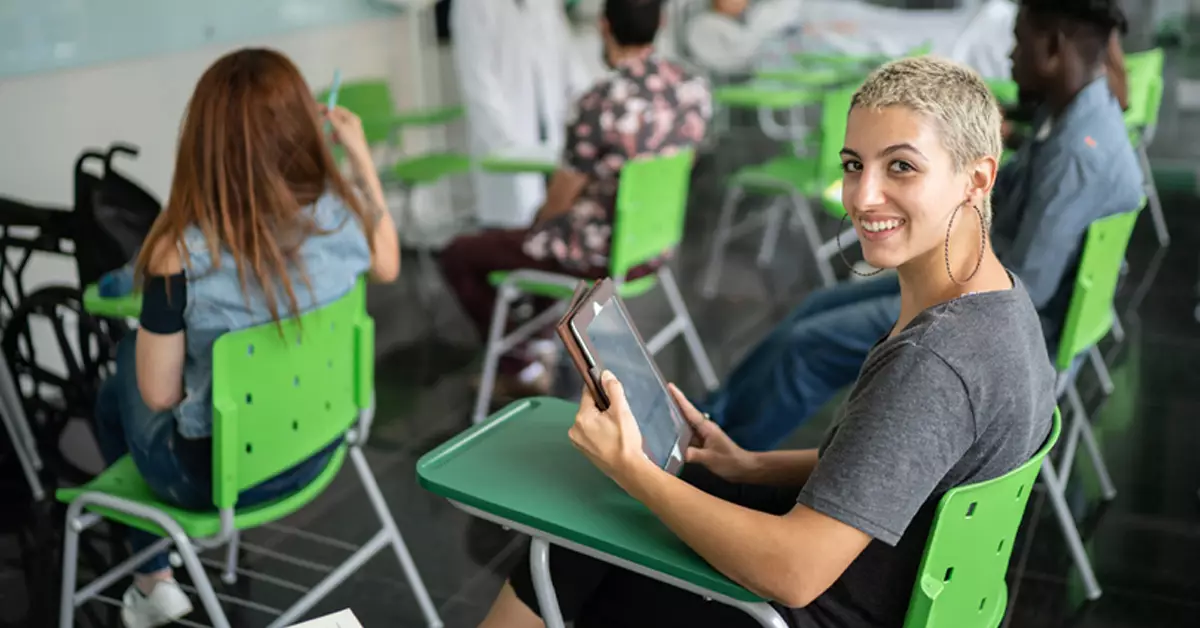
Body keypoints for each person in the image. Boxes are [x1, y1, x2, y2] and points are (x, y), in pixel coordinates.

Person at [479, 55, 1055, 628]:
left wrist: (634, 471)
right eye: (854, 165)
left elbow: (794, 573)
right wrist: (750, 466)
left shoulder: (934, 361)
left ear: (978, 178)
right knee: (630, 511)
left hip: (803, 610)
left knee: (572, 545)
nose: (863, 196)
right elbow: (894, 465)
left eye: (900, 167)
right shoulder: (1003, 304)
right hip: (882, 588)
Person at [702, 0, 1142, 453]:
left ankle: (718, 459)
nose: (1011, 56)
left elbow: (1029, 287)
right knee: (818, 305)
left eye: (1018, 43)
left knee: (807, 347)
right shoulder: (1077, 116)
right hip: (973, 283)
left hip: (994, 327)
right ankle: (709, 418)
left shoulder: (1074, 154)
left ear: (1052, 48)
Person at [91, 48, 399, 627]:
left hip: (216, 480)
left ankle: (154, 574)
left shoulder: (176, 253)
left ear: (203, 147)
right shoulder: (340, 214)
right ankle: (152, 571)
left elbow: (158, 397)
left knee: (123, 373)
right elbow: (387, 265)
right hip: (321, 447)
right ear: (304, 132)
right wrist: (358, 156)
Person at [439, 0, 711, 402]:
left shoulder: (601, 101)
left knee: (461, 254)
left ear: (604, 26)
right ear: (662, 22)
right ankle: (540, 339)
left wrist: (537, 223)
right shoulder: (691, 87)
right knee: (540, 240)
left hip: (599, 256)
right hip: (651, 246)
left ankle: (520, 361)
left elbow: (559, 201)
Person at [451, 0, 595, 228]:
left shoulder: (546, 5)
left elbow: (571, 65)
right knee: (513, 226)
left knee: (551, 222)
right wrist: (510, 146)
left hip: (550, 137)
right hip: (506, 144)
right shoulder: (473, 5)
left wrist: (591, 108)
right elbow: (479, 83)